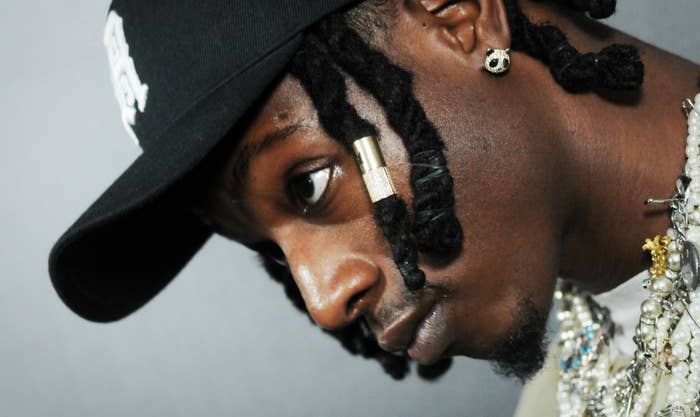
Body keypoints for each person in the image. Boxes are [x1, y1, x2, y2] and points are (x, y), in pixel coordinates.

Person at [48, 0, 700, 415]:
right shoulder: (562, 402)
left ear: (460, 18)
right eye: (271, 250)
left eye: (308, 184)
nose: (324, 300)